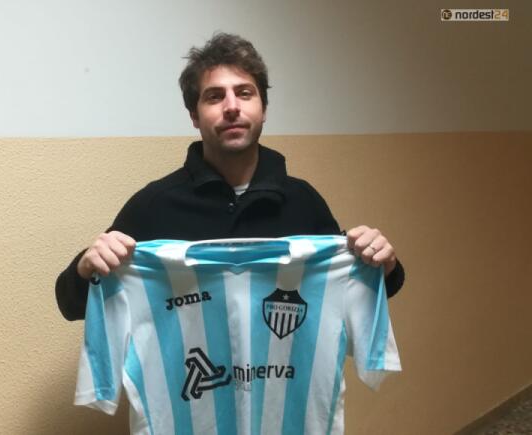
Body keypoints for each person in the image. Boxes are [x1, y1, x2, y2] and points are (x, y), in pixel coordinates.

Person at [55, 32, 404, 321]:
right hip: (189, 387)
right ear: (194, 116)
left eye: (244, 93)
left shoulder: (303, 202)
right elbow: (72, 306)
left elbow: (352, 291)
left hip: (283, 386)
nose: (232, 106)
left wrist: (384, 264)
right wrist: (86, 267)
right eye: (214, 97)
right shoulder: (154, 205)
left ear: (263, 109)